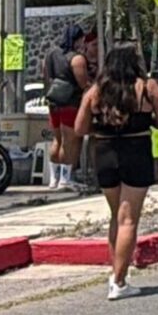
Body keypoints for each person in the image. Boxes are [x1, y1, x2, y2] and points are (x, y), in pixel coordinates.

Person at [80, 43, 158, 298]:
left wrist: (103, 127)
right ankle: (119, 282)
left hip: (104, 152)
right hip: (136, 151)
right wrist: (146, 120)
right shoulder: (148, 87)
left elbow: (79, 128)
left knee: (116, 216)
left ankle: (117, 273)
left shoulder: (96, 91)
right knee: (129, 219)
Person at [42, 24, 97, 192]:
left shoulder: (50, 54)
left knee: (56, 140)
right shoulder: (76, 58)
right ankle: (66, 179)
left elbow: (45, 75)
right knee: (70, 141)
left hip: (54, 102)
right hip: (70, 103)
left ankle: (53, 178)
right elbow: (83, 83)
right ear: (77, 38)